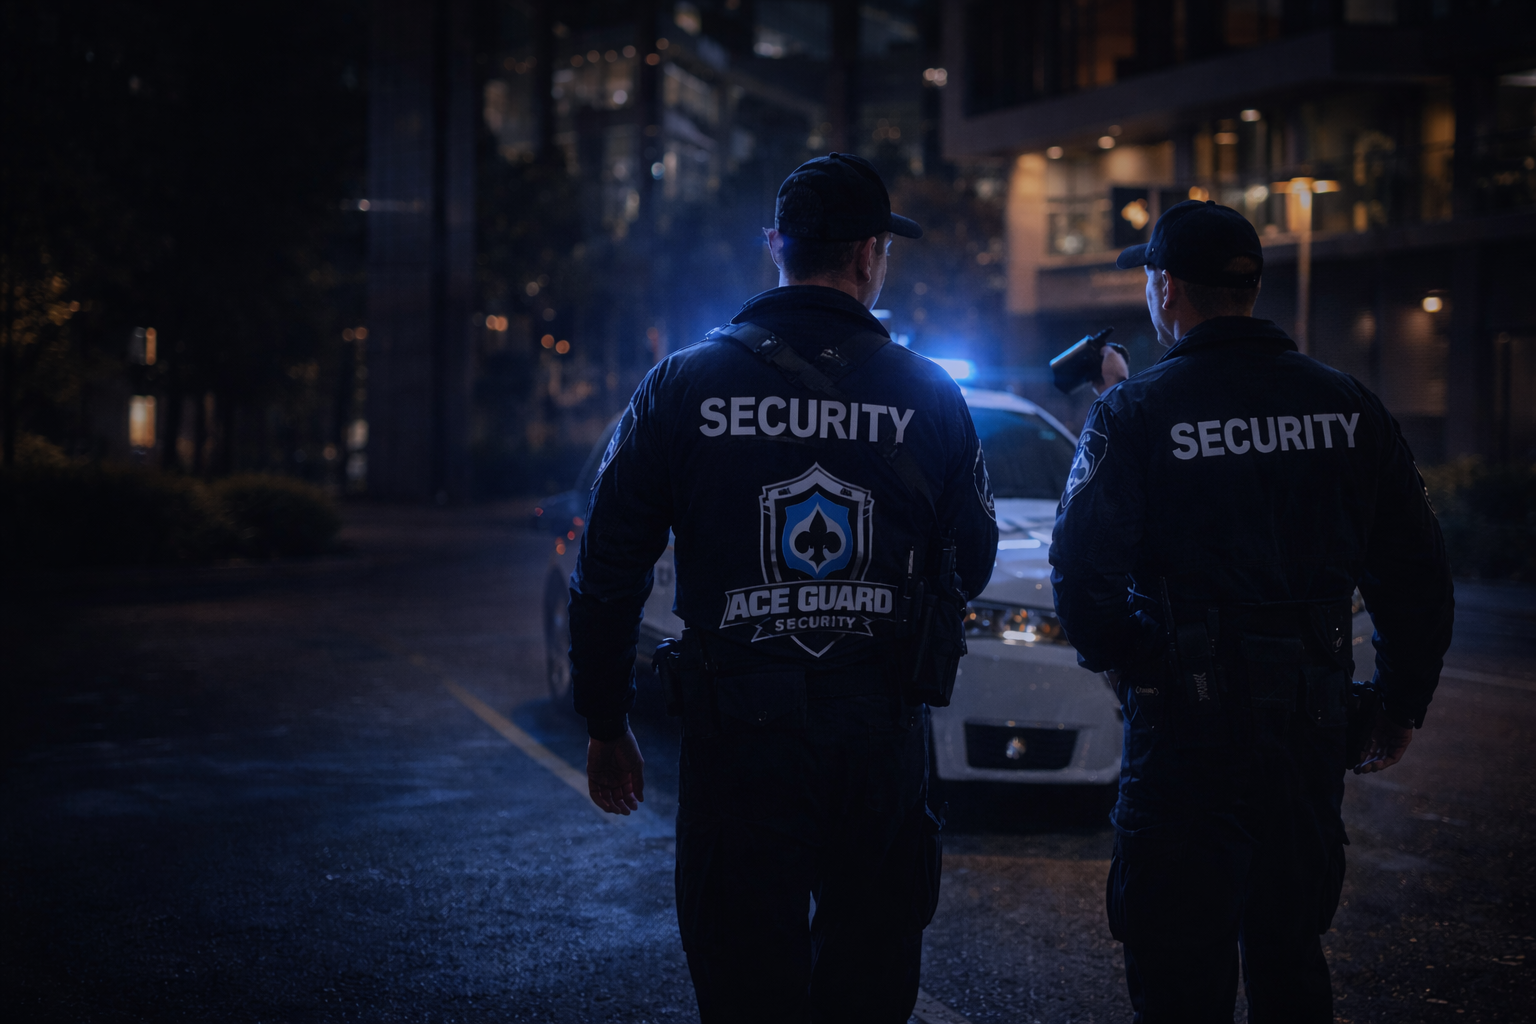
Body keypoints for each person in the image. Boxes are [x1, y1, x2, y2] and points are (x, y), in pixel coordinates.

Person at [568, 153, 999, 1023]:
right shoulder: (931, 393)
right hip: (879, 737)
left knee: (745, 987)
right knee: (868, 985)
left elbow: (607, 568)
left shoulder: (684, 383)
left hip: (740, 739)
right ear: (871, 255)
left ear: (776, 245)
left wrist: (606, 722)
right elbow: (975, 558)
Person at [1049, 199, 1454, 1023]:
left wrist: (1139, 661)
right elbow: (1417, 575)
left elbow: (1082, 577)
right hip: (1308, 734)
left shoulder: (1137, 412)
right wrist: (1400, 704)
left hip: (1185, 741)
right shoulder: (1349, 406)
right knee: (1290, 959)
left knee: (1179, 979)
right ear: (1253, 287)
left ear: (1165, 288)